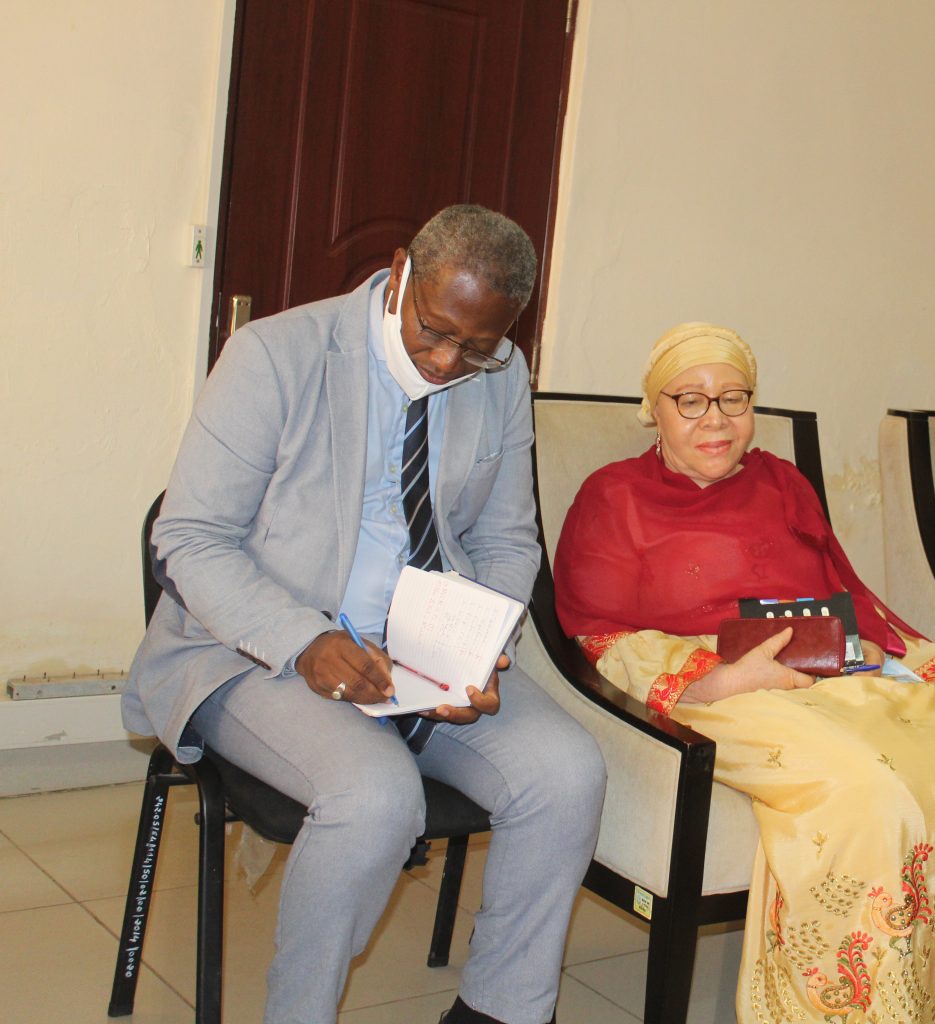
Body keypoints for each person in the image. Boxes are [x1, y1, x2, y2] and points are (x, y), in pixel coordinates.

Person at [124, 205, 605, 1024]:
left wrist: (475, 648)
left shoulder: (502, 377)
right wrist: (304, 639)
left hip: (418, 652)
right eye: (434, 331)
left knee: (567, 773)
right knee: (376, 797)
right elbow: (190, 538)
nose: (447, 361)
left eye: (477, 347)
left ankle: (502, 1010)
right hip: (256, 647)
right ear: (399, 272)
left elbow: (505, 540)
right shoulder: (275, 355)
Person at [554, 323, 935, 1022]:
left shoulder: (781, 480)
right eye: (689, 400)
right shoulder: (613, 495)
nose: (715, 418)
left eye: (734, 398)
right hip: (705, 684)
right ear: (652, 409)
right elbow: (599, 631)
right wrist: (722, 681)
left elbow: (839, 586)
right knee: (868, 793)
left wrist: (872, 653)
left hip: (818, 670)